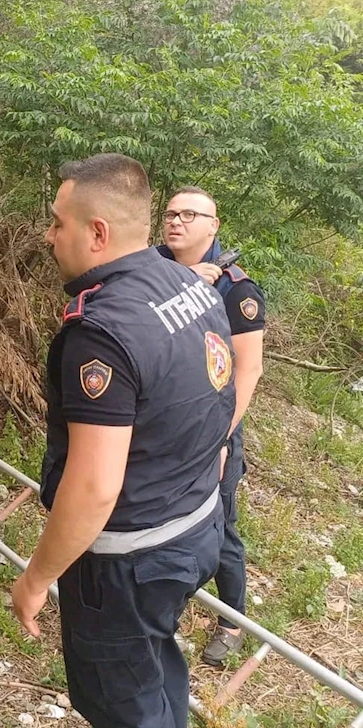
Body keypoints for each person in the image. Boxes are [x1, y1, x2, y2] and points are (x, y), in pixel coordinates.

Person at [11, 154, 235, 728]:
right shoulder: (193, 286)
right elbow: (215, 399)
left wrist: (37, 578)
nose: (49, 235)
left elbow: (93, 486)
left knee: (122, 706)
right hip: (195, 526)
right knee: (154, 663)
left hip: (128, 564)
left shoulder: (101, 331)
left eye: (59, 222)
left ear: (98, 233)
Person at [158, 186, 265, 666]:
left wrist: (221, 437)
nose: (175, 221)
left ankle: (231, 622)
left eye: (188, 214)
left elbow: (248, 370)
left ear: (213, 225)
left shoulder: (237, 289)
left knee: (219, 527)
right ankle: (167, 610)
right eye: (169, 213)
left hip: (214, 429)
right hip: (162, 425)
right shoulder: (152, 267)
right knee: (166, 523)